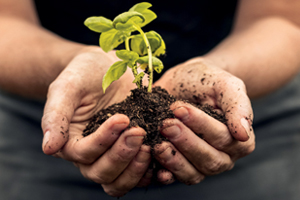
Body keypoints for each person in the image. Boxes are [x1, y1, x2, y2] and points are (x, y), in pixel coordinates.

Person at [0, 0, 300, 199]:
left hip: (250, 110)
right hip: (49, 123)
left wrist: (223, 71)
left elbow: (282, 20)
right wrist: (70, 62)